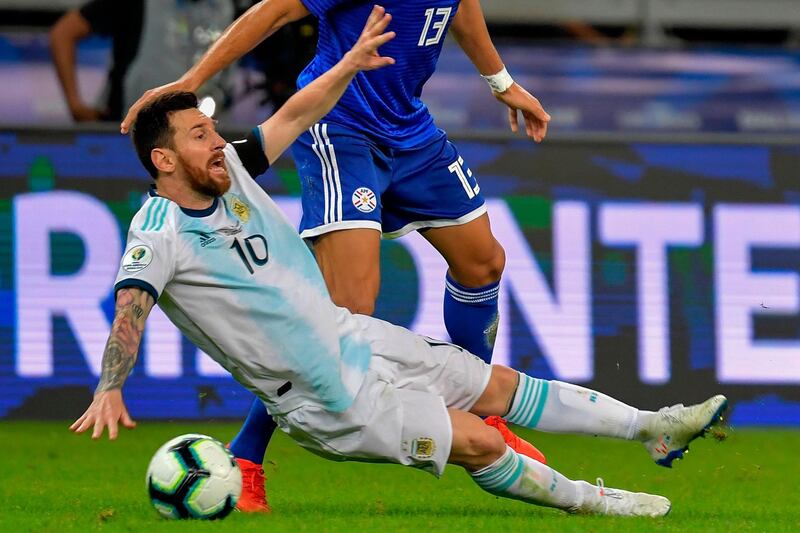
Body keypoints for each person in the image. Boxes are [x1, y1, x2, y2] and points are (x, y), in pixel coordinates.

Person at [71, 8, 727, 518]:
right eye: (199, 137)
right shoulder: (157, 231)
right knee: (483, 443)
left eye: (213, 131)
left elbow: (297, 110)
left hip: (353, 338)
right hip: (329, 399)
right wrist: (110, 384)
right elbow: (132, 303)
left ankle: (654, 427)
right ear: (163, 161)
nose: (217, 143)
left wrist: (351, 61)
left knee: (499, 385)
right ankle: (598, 502)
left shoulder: (233, 169)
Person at [120, 0, 552, 511]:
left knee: (484, 261)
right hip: (341, 126)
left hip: (410, 128)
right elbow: (274, 11)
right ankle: (248, 458)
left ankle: (482, 413)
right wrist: (189, 81)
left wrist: (501, 82)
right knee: (347, 308)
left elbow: (460, 8)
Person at [49, 0, 236, 122]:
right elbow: (63, 33)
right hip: (127, 131)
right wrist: (75, 105)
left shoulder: (230, 6)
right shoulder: (136, 3)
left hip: (206, 130)